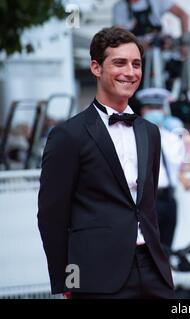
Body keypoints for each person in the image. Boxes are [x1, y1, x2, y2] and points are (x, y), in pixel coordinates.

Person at [37, 27, 174, 299]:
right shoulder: (68, 135)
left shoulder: (150, 132)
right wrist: (68, 280)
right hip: (96, 275)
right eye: (119, 63)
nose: (130, 72)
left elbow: (147, 205)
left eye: (136, 64)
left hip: (153, 270)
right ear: (96, 67)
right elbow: (52, 216)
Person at [136, 87, 190, 257]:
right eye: (151, 108)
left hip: (169, 199)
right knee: (147, 252)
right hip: (147, 201)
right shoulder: (135, 137)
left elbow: (180, 166)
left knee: (165, 251)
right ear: (143, 110)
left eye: (158, 108)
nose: (155, 112)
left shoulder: (173, 138)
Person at [113, 0, 189, 37]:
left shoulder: (156, 1)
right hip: (136, 51)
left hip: (159, 50)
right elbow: (120, 33)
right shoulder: (120, 7)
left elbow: (184, 15)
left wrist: (185, 41)